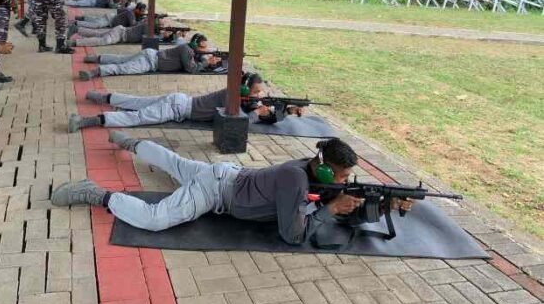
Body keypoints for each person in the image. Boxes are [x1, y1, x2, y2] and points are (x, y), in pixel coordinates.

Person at [52, 131, 414, 245]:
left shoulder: (312, 171)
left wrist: (384, 205)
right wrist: (330, 210)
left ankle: (131, 143)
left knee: (175, 163)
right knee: (155, 219)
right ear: (321, 166)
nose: (343, 183)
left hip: (225, 174)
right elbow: (293, 235)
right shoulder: (296, 179)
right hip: (215, 192)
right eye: (340, 175)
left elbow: (338, 199)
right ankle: (95, 193)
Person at [69, 71, 271, 129]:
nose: (256, 96)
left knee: (136, 102)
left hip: (178, 101)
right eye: (255, 91)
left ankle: (99, 96)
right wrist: (256, 112)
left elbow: (250, 106)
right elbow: (239, 121)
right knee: (138, 117)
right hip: (177, 108)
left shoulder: (236, 95)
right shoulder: (231, 96)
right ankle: (87, 121)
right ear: (244, 88)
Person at [76, 32, 220, 80]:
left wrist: (208, 59)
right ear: (197, 44)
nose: (205, 48)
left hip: (150, 54)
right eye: (204, 45)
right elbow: (192, 69)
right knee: (122, 68)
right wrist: (207, 63)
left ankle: (94, 58)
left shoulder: (187, 47)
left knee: (121, 59)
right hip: (151, 62)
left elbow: (196, 58)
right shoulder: (187, 51)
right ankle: (92, 72)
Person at [67, 19, 185, 48]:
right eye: (161, 26)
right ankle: (75, 42)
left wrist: (173, 35)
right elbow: (149, 39)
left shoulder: (151, 28)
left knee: (98, 35)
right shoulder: (147, 27)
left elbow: (161, 39)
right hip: (120, 34)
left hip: (120, 31)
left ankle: (77, 29)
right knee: (102, 40)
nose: (163, 28)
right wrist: (163, 35)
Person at [68, 2, 146, 35]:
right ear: (136, 9)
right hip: (110, 20)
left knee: (96, 20)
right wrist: (142, 21)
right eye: (142, 11)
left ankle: (83, 18)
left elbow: (119, 11)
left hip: (111, 18)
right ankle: (75, 23)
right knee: (96, 25)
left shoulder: (131, 12)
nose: (142, 13)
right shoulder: (131, 13)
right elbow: (133, 25)